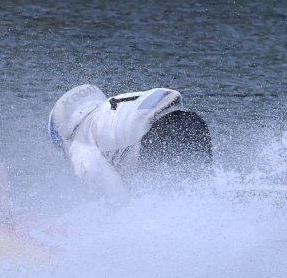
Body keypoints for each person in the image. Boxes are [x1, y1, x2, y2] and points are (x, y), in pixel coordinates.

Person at [48, 84, 212, 201]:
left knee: (174, 198)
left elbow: (115, 197)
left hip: (160, 135)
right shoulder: (108, 112)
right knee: (198, 189)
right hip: (191, 122)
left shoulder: (80, 143)